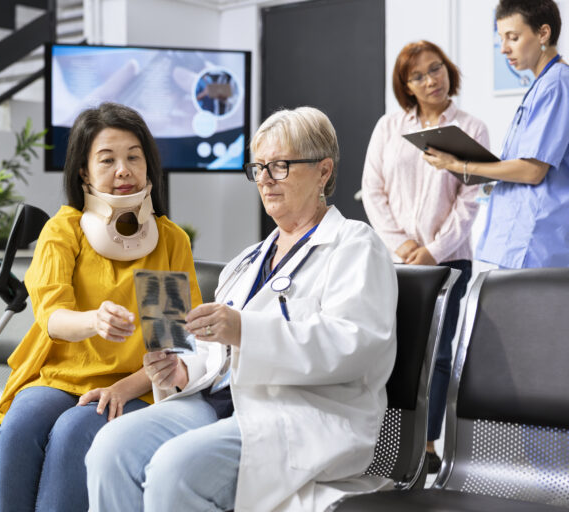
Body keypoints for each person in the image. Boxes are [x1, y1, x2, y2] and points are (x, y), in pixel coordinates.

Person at [86, 106, 399, 512]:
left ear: (323, 171)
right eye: (259, 167)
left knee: (174, 471)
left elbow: (354, 345)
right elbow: (215, 355)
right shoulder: (248, 260)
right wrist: (181, 371)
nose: (265, 179)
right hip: (218, 405)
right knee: (110, 450)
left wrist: (244, 330)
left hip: (297, 415)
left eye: (280, 166)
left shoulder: (356, 246)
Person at [0, 102, 202, 511]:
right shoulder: (65, 229)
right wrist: (95, 320)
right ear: (84, 172)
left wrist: (124, 387)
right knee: (19, 428)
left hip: (135, 383)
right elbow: (52, 316)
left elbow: (170, 344)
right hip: (61, 376)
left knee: (74, 432)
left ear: (148, 167)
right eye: (107, 160)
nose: (122, 170)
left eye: (133, 157)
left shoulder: (168, 240)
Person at [361, 40, 490, 473]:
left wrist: (432, 251)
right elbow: (373, 191)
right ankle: (384, 441)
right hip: (395, 262)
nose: (431, 79)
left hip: (449, 261)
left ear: (449, 70)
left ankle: (427, 446)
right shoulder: (389, 127)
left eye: (436, 69)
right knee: (389, 351)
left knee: (437, 355)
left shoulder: (472, 127)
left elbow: (470, 202)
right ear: (406, 86)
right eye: (418, 75)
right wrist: (401, 245)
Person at [424, 0, 569, 268]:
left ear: (543, 34)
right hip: (523, 240)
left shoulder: (557, 85)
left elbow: (532, 170)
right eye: (501, 39)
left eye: (513, 38)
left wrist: (460, 165)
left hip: (538, 241)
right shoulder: (543, 86)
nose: (504, 49)